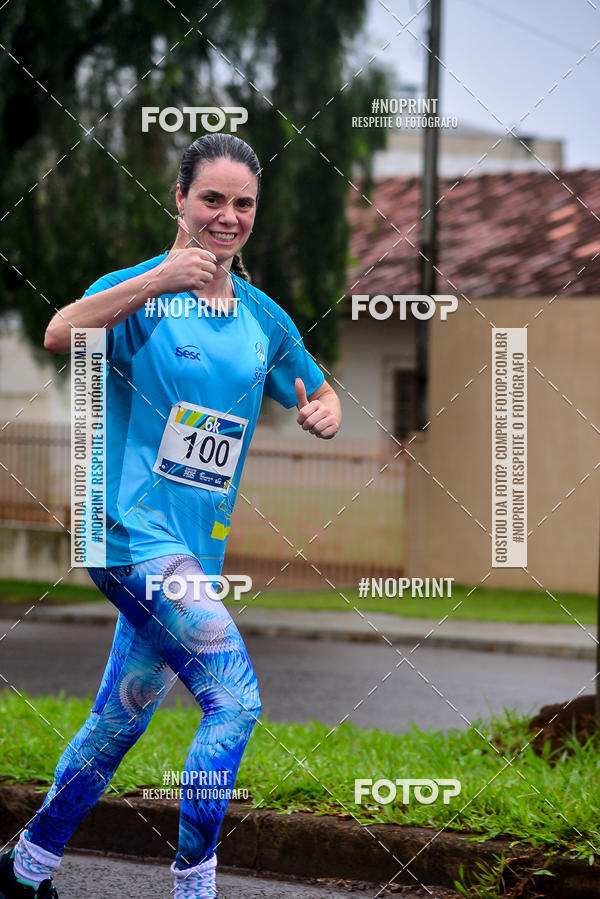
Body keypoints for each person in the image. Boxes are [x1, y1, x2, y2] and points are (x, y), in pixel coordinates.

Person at [0, 133, 341, 899]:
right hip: (126, 533)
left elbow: (319, 389)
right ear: (180, 200)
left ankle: (25, 870)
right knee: (235, 698)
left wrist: (322, 410)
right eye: (211, 199)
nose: (227, 216)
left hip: (195, 554)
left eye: (242, 203)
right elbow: (61, 332)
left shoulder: (261, 315)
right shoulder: (138, 291)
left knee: (119, 720)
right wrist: (157, 280)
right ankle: (194, 888)